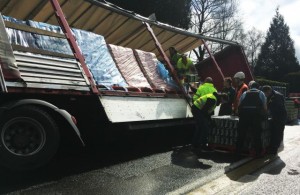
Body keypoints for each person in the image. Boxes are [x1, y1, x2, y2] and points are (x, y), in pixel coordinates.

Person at [236, 81, 267, 156]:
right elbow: (265, 107)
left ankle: (238, 152)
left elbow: (239, 105)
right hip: (256, 117)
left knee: (241, 134)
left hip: (244, 116)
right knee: (257, 134)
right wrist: (264, 115)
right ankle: (258, 152)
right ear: (258, 87)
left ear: (250, 87)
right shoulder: (261, 93)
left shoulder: (245, 93)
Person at [262, 85, 287, 154]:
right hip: (274, 117)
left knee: (277, 133)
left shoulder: (277, 96)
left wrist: (269, 114)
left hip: (280, 117)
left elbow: (278, 108)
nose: (265, 95)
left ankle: (274, 149)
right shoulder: (271, 95)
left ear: (269, 91)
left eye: (266, 93)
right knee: (273, 132)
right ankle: (272, 147)